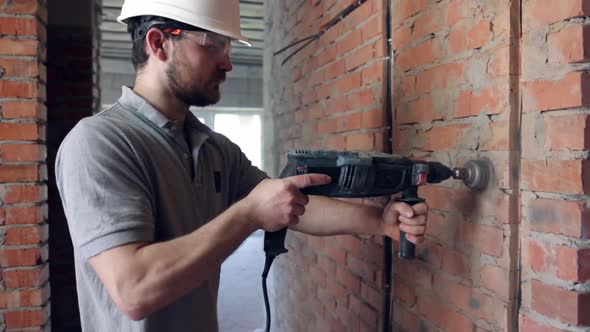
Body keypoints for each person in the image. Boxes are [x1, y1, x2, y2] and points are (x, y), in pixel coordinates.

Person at [55, 0, 429, 331]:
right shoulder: (99, 143)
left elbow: (286, 202)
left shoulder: (216, 149)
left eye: (229, 46)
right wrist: (249, 214)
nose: (228, 62)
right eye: (213, 44)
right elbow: (134, 290)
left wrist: (379, 222)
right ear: (158, 43)